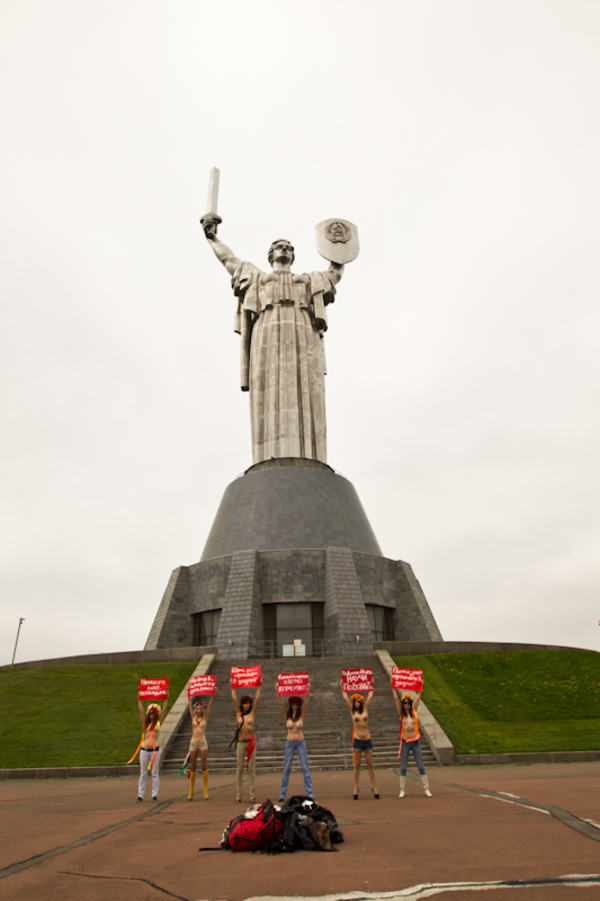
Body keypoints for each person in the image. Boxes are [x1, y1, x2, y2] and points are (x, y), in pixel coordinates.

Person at [201, 218, 344, 465]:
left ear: (293, 256)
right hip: (267, 332)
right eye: (279, 246)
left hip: (302, 331)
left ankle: (307, 454)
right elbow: (229, 261)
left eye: (289, 247)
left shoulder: (307, 280)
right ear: (270, 255)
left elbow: (334, 273)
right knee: (268, 385)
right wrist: (213, 238)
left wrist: (340, 250)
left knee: (306, 384)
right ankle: (268, 456)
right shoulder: (258, 278)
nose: (284, 249)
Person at [340, 681, 379, 799]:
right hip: (357, 740)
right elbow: (345, 697)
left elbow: (371, 696)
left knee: (370, 764)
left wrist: (371, 684)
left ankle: (374, 786)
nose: (357, 704)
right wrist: (343, 686)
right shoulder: (352, 711)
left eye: (358, 702)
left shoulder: (365, 709)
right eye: (355, 702)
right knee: (357, 764)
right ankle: (356, 787)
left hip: (367, 739)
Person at [276, 684, 313, 803]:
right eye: (293, 704)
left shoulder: (301, 715)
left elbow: (307, 705)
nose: (294, 706)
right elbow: (281, 704)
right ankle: (282, 793)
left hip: (300, 742)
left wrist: (307, 691)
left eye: (296, 704)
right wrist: (278, 691)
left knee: (305, 767)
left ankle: (309, 792)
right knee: (286, 768)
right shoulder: (287, 715)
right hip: (290, 742)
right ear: (291, 705)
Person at [392, 689, 432, 798]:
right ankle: (402, 790)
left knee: (420, 765)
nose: (407, 705)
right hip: (405, 743)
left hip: (415, 742)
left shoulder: (414, 712)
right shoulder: (401, 715)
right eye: (405, 703)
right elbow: (395, 699)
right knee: (403, 766)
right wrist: (393, 688)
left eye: (408, 703)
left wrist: (420, 689)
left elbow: (418, 699)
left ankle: (426, 788)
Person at [136, 691, 168, 802]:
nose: (151, 715)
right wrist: (139, 700)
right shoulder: (145, 723)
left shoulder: (158, 723)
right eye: (150, 713)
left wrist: (166, 699)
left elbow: (164, 711)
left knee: (155, 773)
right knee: (143, 773)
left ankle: (154, 794)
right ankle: (140, 794)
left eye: (153, 713)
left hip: (155, 751)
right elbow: (140, 711)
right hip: (144, 750)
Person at [231, 685, 261, 803]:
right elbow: (234, 699)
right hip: (240, 743)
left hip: (250, 743)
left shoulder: (252, 714)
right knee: (239, 768)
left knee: (251, 768)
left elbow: (258, 699)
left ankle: (252, 793)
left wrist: (259, 687)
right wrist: (232, 687)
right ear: (242, 705)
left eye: (248, 703)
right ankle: (238, 793)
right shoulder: (239, 713)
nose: (246, 705)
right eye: (245, 703)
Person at [187, 690, 216, 801]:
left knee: (204, 765)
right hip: (194, 741)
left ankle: (205, 790)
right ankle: (191, 790)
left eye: (200, 709)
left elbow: (209, 706)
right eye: (197, 709)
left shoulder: (205, 718)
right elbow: (189, 706)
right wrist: (188, 697)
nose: (199, 710)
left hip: (202, 741)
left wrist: (212, 695)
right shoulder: (193, 718)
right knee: (193, 765)